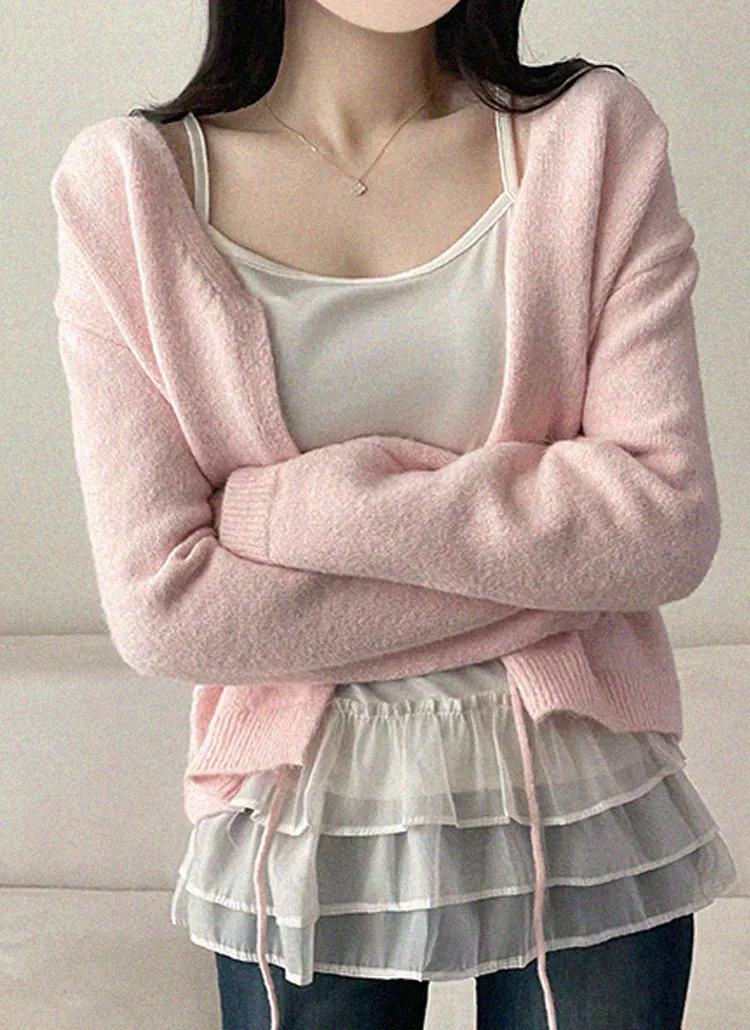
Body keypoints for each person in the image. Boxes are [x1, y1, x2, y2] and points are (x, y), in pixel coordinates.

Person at [51, 0, 738, 1028]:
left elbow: (664, 525)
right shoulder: (133, 190)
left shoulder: (592, 138)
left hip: (586, 796)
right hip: (303, 821)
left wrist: (296, 515)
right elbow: (169, 611)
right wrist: (552, 581)